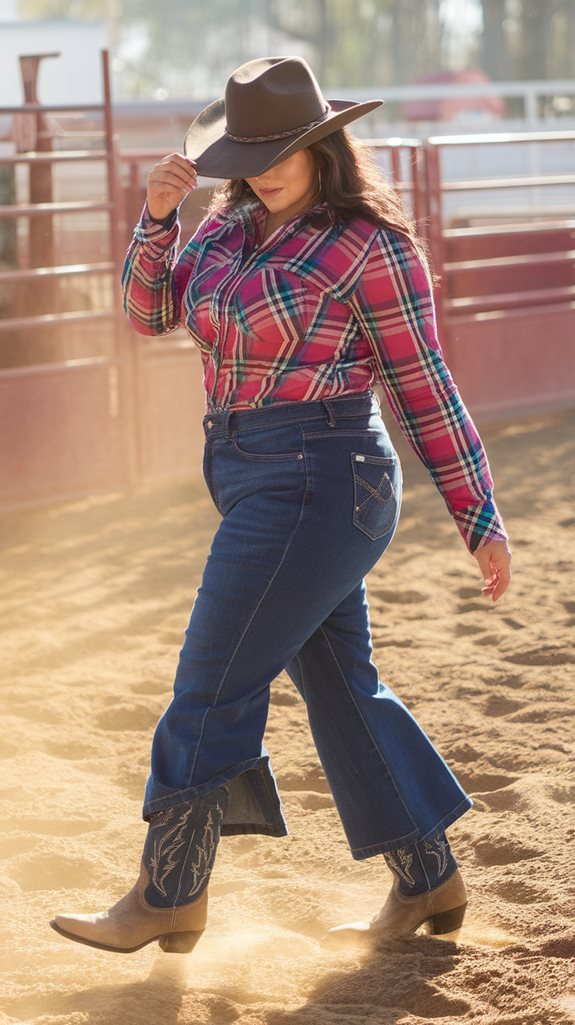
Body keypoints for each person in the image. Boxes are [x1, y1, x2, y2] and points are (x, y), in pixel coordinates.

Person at [51, 55, 511, 955]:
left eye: (282, 148)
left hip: (325, 476)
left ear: (322, 145)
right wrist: (154, 220)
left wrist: (478, 514)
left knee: (213, 676)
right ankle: (428, 877)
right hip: (246, 472)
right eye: (249, 149)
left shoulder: (367, 245)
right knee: (341, 687)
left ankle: (169, 889)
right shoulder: (224, 233)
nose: (264, 165)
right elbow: (149, 316)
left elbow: (425, 386)